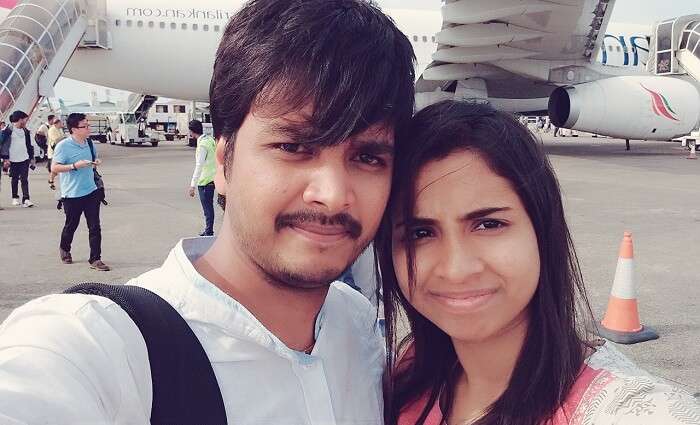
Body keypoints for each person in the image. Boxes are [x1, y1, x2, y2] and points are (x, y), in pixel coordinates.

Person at [0, 0, 415, 423]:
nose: (332, 195)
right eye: (293, 147)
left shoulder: (357, 326)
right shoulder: (99, 346)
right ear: (224, 161)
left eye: (367, 157)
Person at [375, 101, 700, 425]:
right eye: (421, 232)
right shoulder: (409, 373)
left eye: (489, 224)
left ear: (542, 230)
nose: (456, 269)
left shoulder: (630, 412)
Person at [51, 113, 110, 271]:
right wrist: (74, 166)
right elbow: (54, 168)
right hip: (72, 194)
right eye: (85, 126)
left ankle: (95, 259)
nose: (88, 128)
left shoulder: (90, 143)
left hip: (91, 191)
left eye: (88, 125)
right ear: (73, 129)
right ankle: (65, 248)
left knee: (95, 226)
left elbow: (93, 161)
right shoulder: (63, 146)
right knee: (71, 225)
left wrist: (95, 162)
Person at [187, 119, 217, 236]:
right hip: (212, 178)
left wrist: (192, 185)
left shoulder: (202, 146)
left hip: (205, 181)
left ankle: (209, 231)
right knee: (209, 207)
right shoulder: (209, 140)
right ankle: (209, 229)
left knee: (207, 208)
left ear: (192, 132)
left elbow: (199, 165)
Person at [0, 110, 35, 207]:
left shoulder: (25, 131)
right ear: (20, 120)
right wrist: (5, 158)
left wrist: (31, 157)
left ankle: (26, 199)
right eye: (24, 119)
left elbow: (29, 145)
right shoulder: (8, 130)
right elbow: (3, 145)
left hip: (24, 158)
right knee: (14, 179)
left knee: (24, 179)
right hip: (13, 159)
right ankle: (15, 197)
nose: (25, 121)